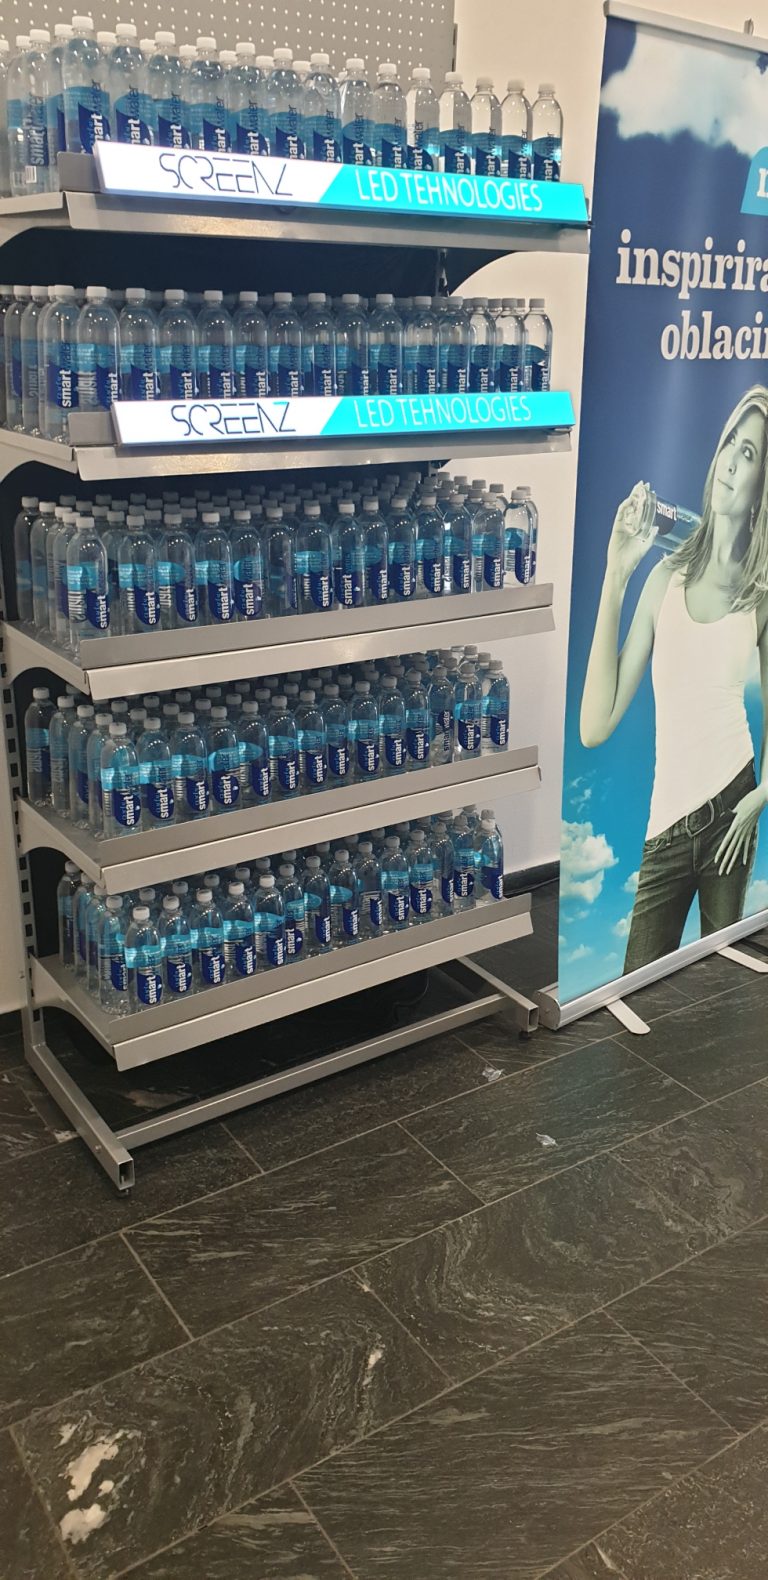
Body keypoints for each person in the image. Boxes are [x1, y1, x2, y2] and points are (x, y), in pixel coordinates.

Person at [580, 384, 768, 972]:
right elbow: (594, 726)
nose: (731, 461)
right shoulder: (665, 576)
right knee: (636, 983)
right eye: (730, 443)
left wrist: (761, 796)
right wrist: (616, 574)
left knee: (721, 992)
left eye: (749, 453)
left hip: (732, 810)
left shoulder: (760, 596)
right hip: (665, 829)